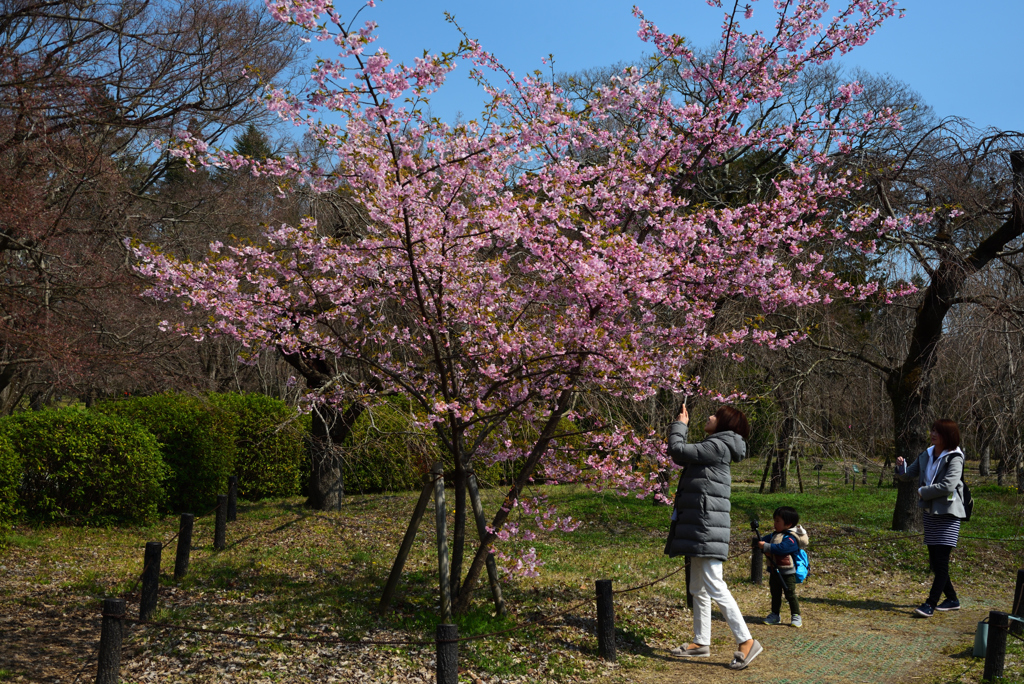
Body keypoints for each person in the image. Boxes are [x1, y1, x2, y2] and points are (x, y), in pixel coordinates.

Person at [665, 403, 763, 670]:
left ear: (725, 423)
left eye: (715, 415)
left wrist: (680, 426)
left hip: (707, 526)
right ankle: (701, 642)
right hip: (702, 525)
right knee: (698, 587)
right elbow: (683, 457)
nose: (709, 417)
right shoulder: (716, 445)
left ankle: (746, 641)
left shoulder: (718, 446)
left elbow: (678, 450)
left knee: (714, 584)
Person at [895, 418, 967, 617]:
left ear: (948, 436)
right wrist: (900, 467)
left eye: (938, 431)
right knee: (935, 562)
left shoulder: (955, 457)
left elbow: (948, 485)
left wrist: (923, 492)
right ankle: (952, 599)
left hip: (948, 513)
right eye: (932, 430)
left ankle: (930, 604)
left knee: (941, 561)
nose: (933, 434)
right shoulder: (926, 454)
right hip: (930, 513)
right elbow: (907, 475)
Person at [759, 506, 809, 628]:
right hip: (774, 571)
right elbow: (763, 541)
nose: (774, 524)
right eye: (774, 520)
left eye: (777, 521)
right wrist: (758, 542)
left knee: (789, 593)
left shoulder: (791, 538)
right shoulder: (774, 535)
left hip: (788, 573)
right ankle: (775, 615)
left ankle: (796, 615)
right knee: (775, 594)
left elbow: (782, 549)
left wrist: (766, 546)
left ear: (788, 524)